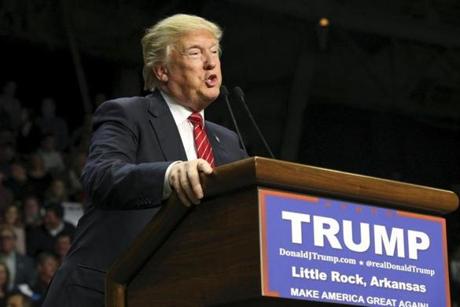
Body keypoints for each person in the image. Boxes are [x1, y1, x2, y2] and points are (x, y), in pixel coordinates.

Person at [43, 14, 247, 307]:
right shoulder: (127, 114)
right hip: (101, 292)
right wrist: (170, 175)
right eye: (195, 52)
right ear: (162, 71)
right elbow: (101, 177)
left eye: (214, 51)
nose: (211, 62)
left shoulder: (228, 141)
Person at [0, 226, 35, 290]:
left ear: (14, 240)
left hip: (19, 296)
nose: (4, 241)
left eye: (8, 238)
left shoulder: (27, 261)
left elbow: (31, 282)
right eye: (2, 238)